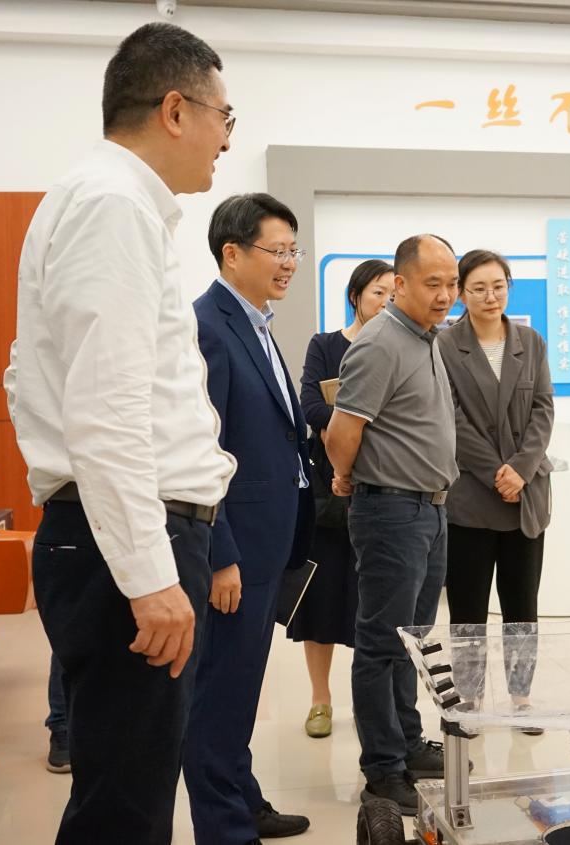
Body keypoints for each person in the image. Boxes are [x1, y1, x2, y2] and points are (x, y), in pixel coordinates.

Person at [4, 23, 236, 844]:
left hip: (118, 534)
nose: (226, 140)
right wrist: (147, 572)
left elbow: (27, 376)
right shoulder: (113, 206)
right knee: (124, 814)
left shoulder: (105, 201)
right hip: (130, 545)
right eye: (223, 117)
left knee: (123, 795)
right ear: (175, 110)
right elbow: (106, 411)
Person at [182, 193, 313, 843]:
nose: (289, 262)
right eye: (277, 250)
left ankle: (244, 798)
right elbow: (203, 448)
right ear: (232, 253)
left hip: (269, 541)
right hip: (235, 547)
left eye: (294, 250)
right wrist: (220, 552)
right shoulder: (208, 325)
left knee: (241, 686)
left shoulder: (255, 322)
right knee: (219, 692)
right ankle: (225, 828)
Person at [325, 234, 460, 815]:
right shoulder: (380, 341)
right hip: (392, 512)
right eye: (433, 284)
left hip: (430, 509)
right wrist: (348, 476)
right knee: (382, 644)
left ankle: (407, 743)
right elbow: (342, 432)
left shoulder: (426, 338)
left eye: (451, 283)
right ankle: (382, 769)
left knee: (413, 640)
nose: (445, 295)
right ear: (400, 284)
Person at [437, 249, 553, 732]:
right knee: (468, 610)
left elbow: (543, 409)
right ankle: (470, 700)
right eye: (479, 288)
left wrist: (520, 470)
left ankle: (522, 699)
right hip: (471, 494)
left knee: (522, 607)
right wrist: (496, 472)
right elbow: (450, 418)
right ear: (461, 293)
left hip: (525, 495)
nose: (490, 296)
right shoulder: (445, 345)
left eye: (498, 286)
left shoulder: (530, 341)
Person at [288, 259, 394, 739]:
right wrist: (355, 422)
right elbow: (309, 406)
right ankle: (320, 699)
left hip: (383, 486)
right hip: (329, 492)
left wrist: (349, 416)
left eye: (393, 294)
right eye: (378, 293)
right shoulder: (326, 345)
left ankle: (370, 704)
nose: (386, 302)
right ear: (356, 297)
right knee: (323, 599)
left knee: (375, 603)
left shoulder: (399, 347)